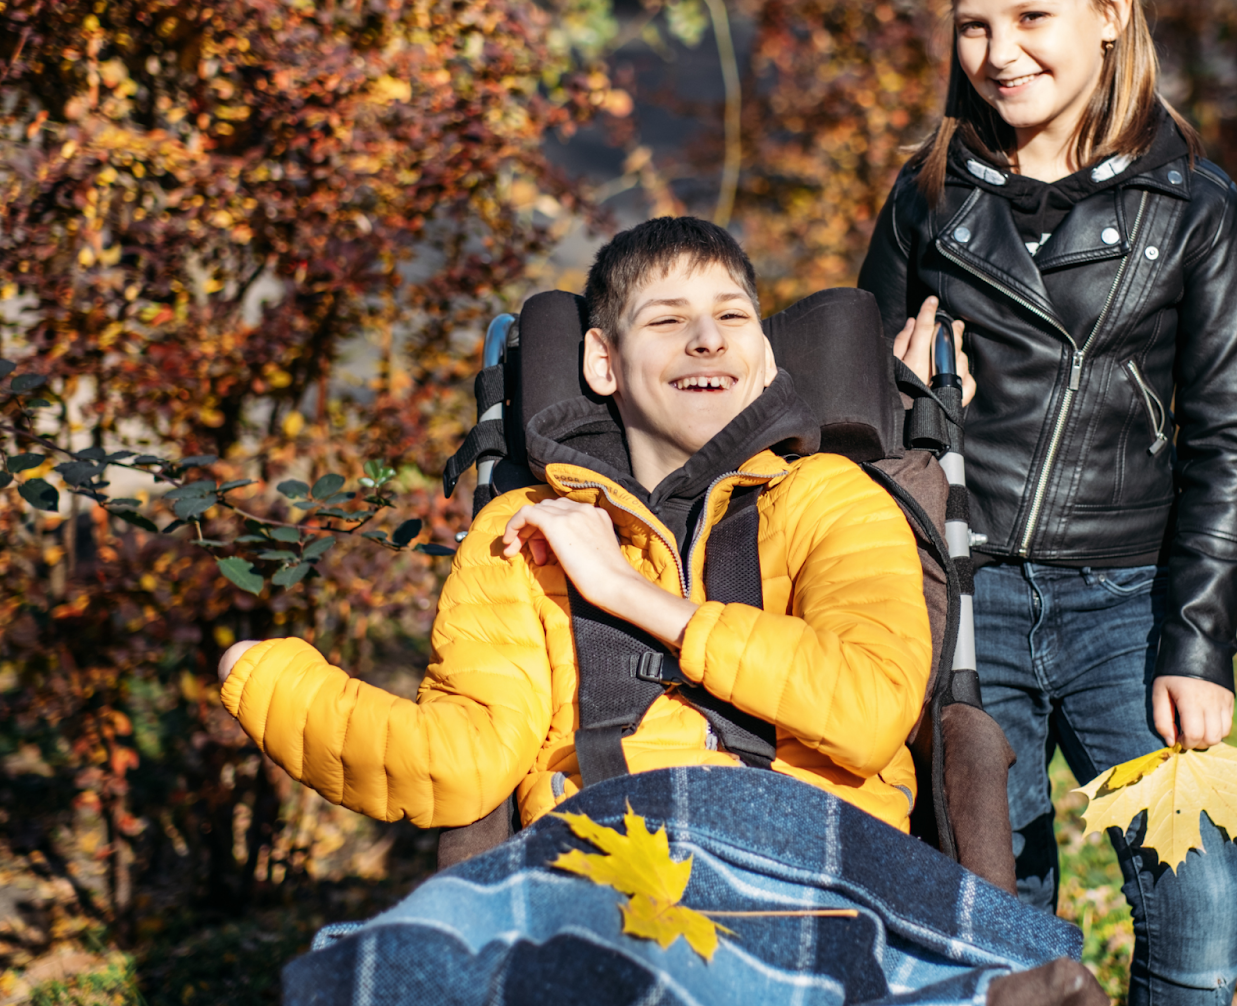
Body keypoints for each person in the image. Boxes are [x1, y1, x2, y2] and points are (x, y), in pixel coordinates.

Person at [215, 217, 1106, 1006]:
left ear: (765, 358)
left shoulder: (834, 500)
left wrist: (628, 594)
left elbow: (870, 710)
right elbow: (461, 765)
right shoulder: (520, 536)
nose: (708, 340)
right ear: (604, 361)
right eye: (669, 320)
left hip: (822, 855)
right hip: (607, 856)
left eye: (732, 318)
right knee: (384, 972)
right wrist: (269, 678)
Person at [859, 0, 1237, 1006]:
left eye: (1031, 17)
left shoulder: (1188, 204)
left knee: (1197, 910)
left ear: (1109, 9)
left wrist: (1195, 639)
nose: (999, 52)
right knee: (1002, 915)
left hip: (1127, 603)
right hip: (963, 604)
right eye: (973, 22)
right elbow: (848, 413)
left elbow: (1228, 437)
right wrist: (897, 389)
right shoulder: (929, 197)